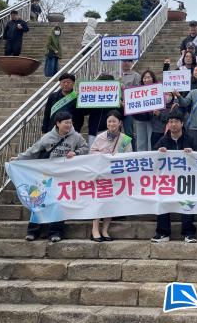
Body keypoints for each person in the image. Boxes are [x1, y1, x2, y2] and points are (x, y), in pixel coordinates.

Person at [13, 111, 88, 242]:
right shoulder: (48, 137)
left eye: (70, 122)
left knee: (59, 203)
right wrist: (18, 159)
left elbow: (86, 148)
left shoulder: (76, 136)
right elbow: (33, 150)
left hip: (63, 176)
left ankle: (55, 232)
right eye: (66, 123)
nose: (68, 125)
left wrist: (76, 152)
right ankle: (33, 231)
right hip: (45, 175)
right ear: (58, 123)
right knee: (37, 200)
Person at [151, 111, 197, 244]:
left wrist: (193, 154)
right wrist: (158, 153)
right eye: (171, 122)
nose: (173, 124)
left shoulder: (190, 139)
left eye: (176, 121)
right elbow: (152, 159)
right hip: (167, 180)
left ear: (182, 123)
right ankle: (163, 232)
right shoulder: (163, 140)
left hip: (186, 180)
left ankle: (189, 233)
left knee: (188, 202)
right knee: (162, 201)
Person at [89, 110, 132, 242]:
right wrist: (104, 155)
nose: (111, 124)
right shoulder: (100, 137)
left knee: (110, 203)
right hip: (101, 174)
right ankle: (94, 230)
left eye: (114, 121)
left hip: (116, 175)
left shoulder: (125, 139)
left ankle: (105, 230)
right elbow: (91, 152)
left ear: (120, 123)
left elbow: (129, 156)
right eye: (109, 121)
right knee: (99, 201)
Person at [87, 74, 118, 147]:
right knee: (92, 151)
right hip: (94, 131)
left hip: (111, 130)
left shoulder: (116, 97)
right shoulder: (92, 97)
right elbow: (84, 112)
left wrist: (121, 105)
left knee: (110, 151)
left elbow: (121, 115)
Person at [132, 70, 158, 152]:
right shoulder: (137, 90)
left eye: (149, 77)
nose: (146, 79)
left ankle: (150, 157)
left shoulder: (158, 89)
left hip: (153, 120)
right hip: (139, 119)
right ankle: (141, 157)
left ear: (153, 78)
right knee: (140, 141)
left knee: (151, 140)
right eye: (144, 78)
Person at [120, 60, 141, 141]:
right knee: (114, 130)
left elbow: (138, 92)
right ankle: (117, 148)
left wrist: (125, 88)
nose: (125, 63)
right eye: (124, 61)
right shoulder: (114, 74)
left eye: (128, 61)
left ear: (132, 63)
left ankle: (131, 148)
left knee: (128, 132)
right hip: (116, 107)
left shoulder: (136, 76)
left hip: (128, 107)